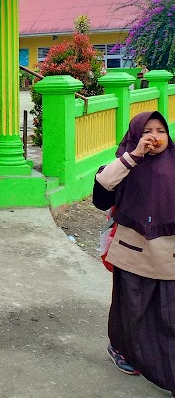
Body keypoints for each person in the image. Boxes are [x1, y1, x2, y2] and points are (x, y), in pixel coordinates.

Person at [92, 111, 175, 394]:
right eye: (146, 131)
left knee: (168, 313)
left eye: (160, 130)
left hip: (169, 254)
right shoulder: (125, 163)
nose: (154, 136)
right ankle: (123, 350)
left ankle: (164, 366)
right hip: (132, 251)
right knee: (131, 308)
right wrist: (134, 156)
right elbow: (102, 193)